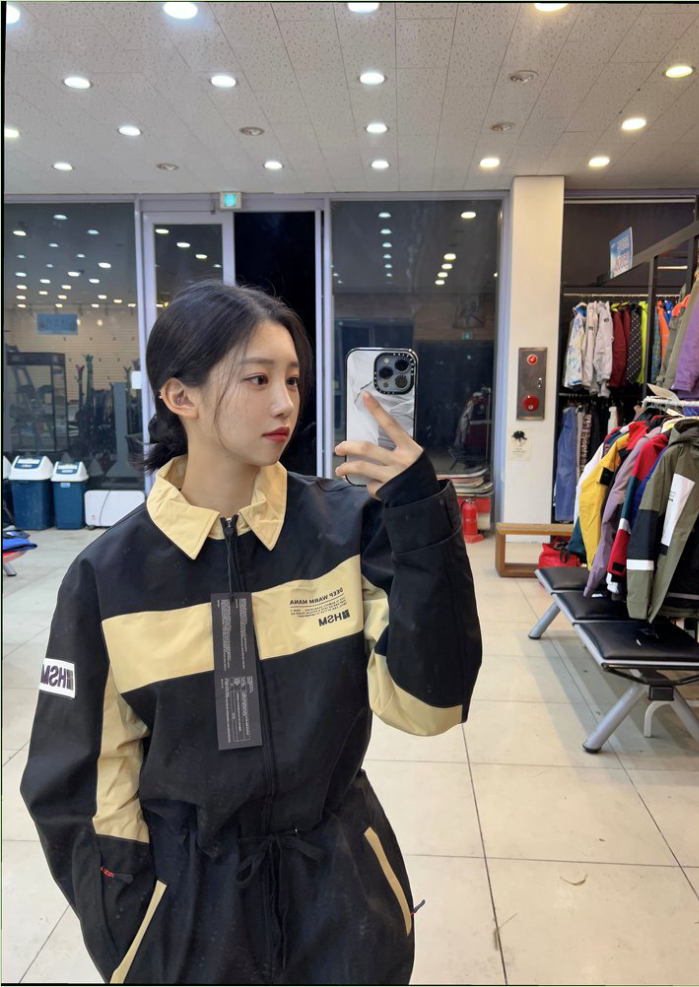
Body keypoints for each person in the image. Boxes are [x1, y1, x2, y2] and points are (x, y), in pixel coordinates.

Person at [21, 281, 482, 986]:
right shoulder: (107, 577)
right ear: (181, 396)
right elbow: (81, 785)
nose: (285, 403)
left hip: (340, 892)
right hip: (188, 909)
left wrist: (423, 525)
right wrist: (134, 927)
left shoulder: (347, 529)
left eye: (292, 379)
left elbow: (430, 706)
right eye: (257, 379)